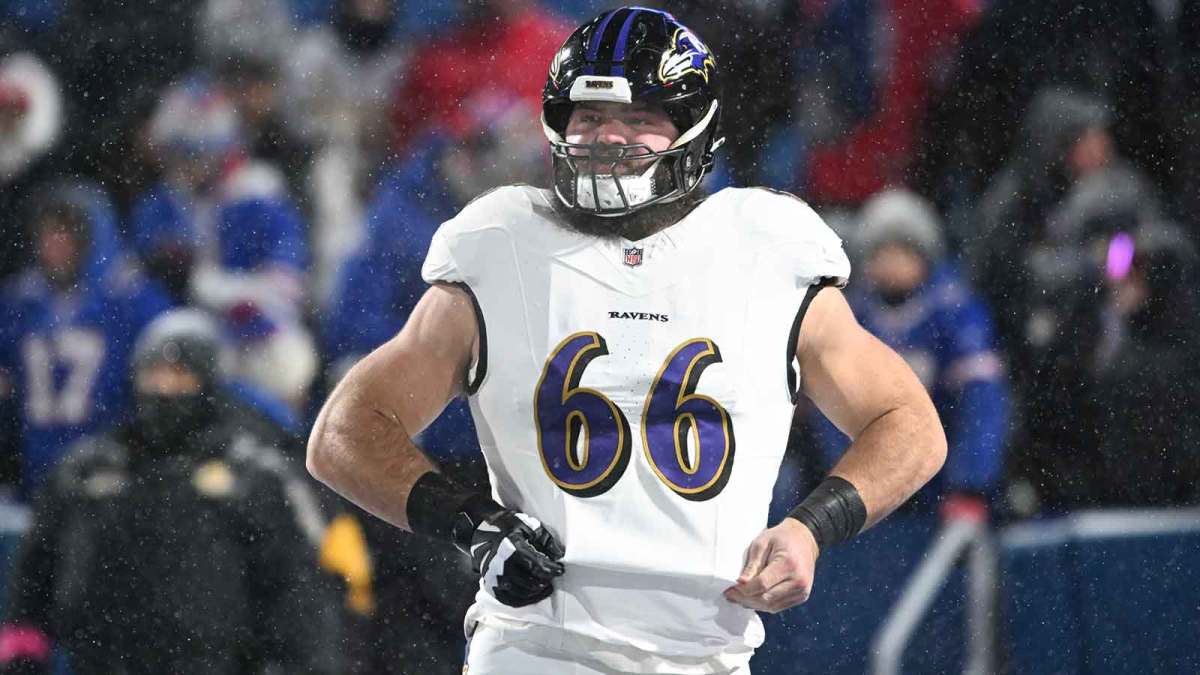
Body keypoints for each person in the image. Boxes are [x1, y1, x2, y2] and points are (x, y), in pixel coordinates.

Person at [307, 8, 946, 673]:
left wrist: (812, 528)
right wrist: (470, 521)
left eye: (639, 118)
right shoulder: (502, 242)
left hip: (708, 657)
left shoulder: (765, 245)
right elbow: (344, 431)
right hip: (537, 649)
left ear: (693, 129)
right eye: (588, 117)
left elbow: (909, 424)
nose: (608, 137)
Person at [0, 309, 341, 675]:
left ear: (208, 383)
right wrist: (24, 652)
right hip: (99, 662)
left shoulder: (255, 477)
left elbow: (296, 593)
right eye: (154, 375)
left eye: (180, 376)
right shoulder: (87, 471)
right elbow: (34, 575)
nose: (163, 390)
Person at [810, 188, 1009, 520]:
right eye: (879, 253)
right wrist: (852, 488)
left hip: (946, 487)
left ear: (923, 254)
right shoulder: (854, 315)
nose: (888, 264)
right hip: (880, 489)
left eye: (900, 251)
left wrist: (970, 484)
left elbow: (983, 401)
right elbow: (833, 408)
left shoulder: (955, 311)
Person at [0, 181, 171, 495]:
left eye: (66, 233)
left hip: (110, 468)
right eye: (47, 233)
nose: (54, 245)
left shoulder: (133, 301)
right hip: (35, 466)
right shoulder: (18, 302)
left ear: (91, 237)